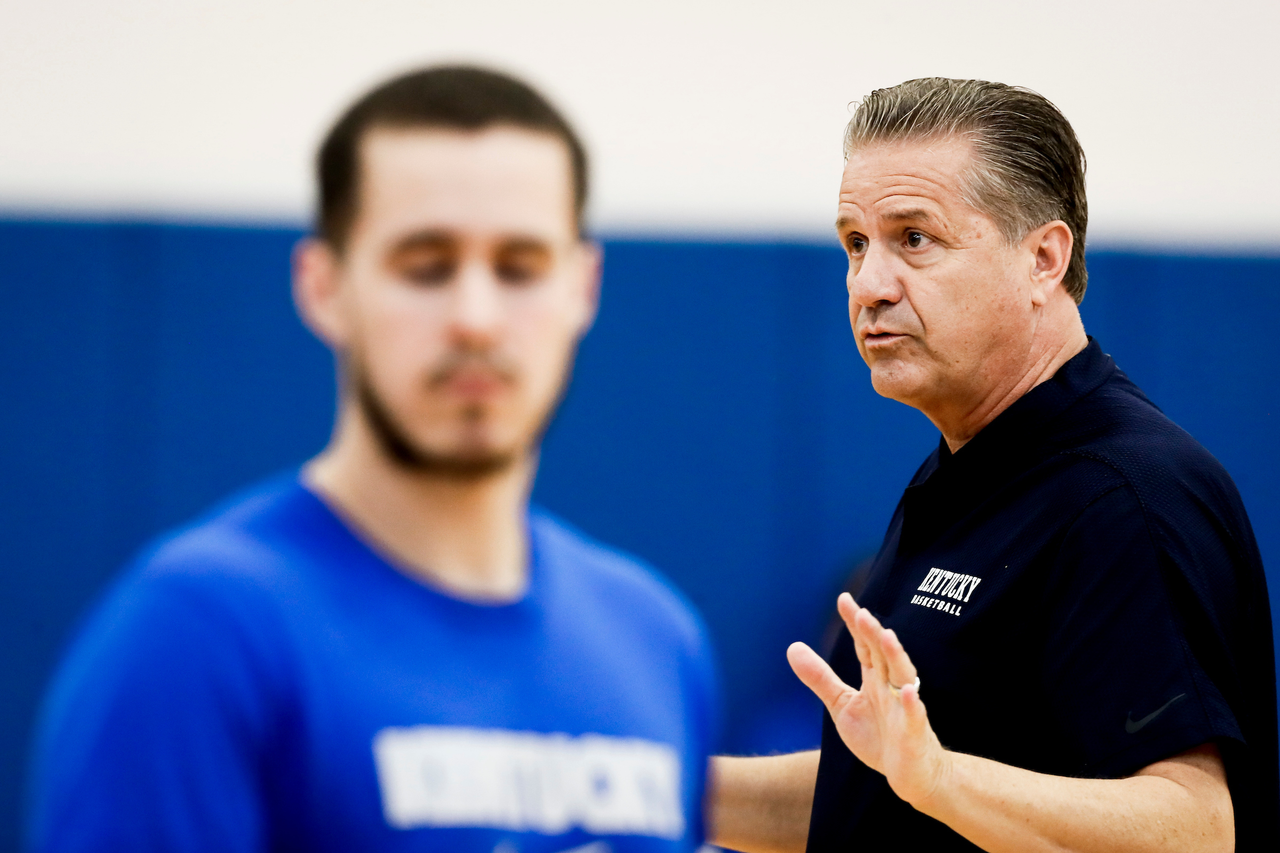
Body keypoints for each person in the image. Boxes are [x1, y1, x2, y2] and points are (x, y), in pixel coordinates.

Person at [27, 65, 718, 852]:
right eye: (425, 265)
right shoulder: (198, 632)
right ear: (323, 286)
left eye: (520, 266)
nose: (476, 318)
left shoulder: (655, 636)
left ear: (583, 287)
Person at [708, 78, 1278, 852]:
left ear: (1044, 257)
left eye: (914, 238)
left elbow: (1194, 829)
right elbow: (878, 792)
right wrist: (654, 784)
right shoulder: (970, 467)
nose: (869, 285)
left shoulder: (1124, 495)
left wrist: (936, 778)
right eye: (855, 243)